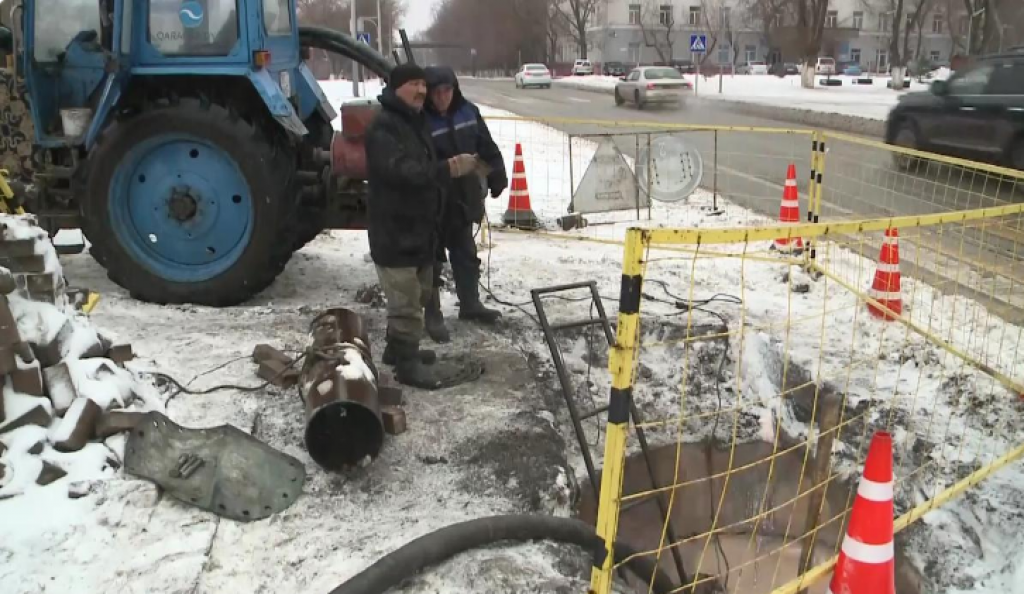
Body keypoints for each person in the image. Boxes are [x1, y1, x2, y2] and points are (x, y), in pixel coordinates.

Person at [365, 63, 479, 388]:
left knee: (419, 293)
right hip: (396, 233)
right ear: (395, 87)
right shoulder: (384, 128)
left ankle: (397, 350)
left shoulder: (415, 122)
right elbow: (404, 172)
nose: (421, 91)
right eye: (413, 84)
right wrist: (450, 168)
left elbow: (424, 165)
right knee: (406, 303)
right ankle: (407, 365)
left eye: (423, 85)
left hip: (419, 233)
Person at [423, 66, 508, 343]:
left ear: (454, 89)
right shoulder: (418, 119)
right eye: (435, 92)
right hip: (432, 198)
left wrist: (497, 172)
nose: (441, 97)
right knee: (431, 260)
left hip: (462, 195)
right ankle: (432, 314)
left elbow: (486, 144)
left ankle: (470, 303)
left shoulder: (468, 111)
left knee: (465, 251)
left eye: (446, 91)